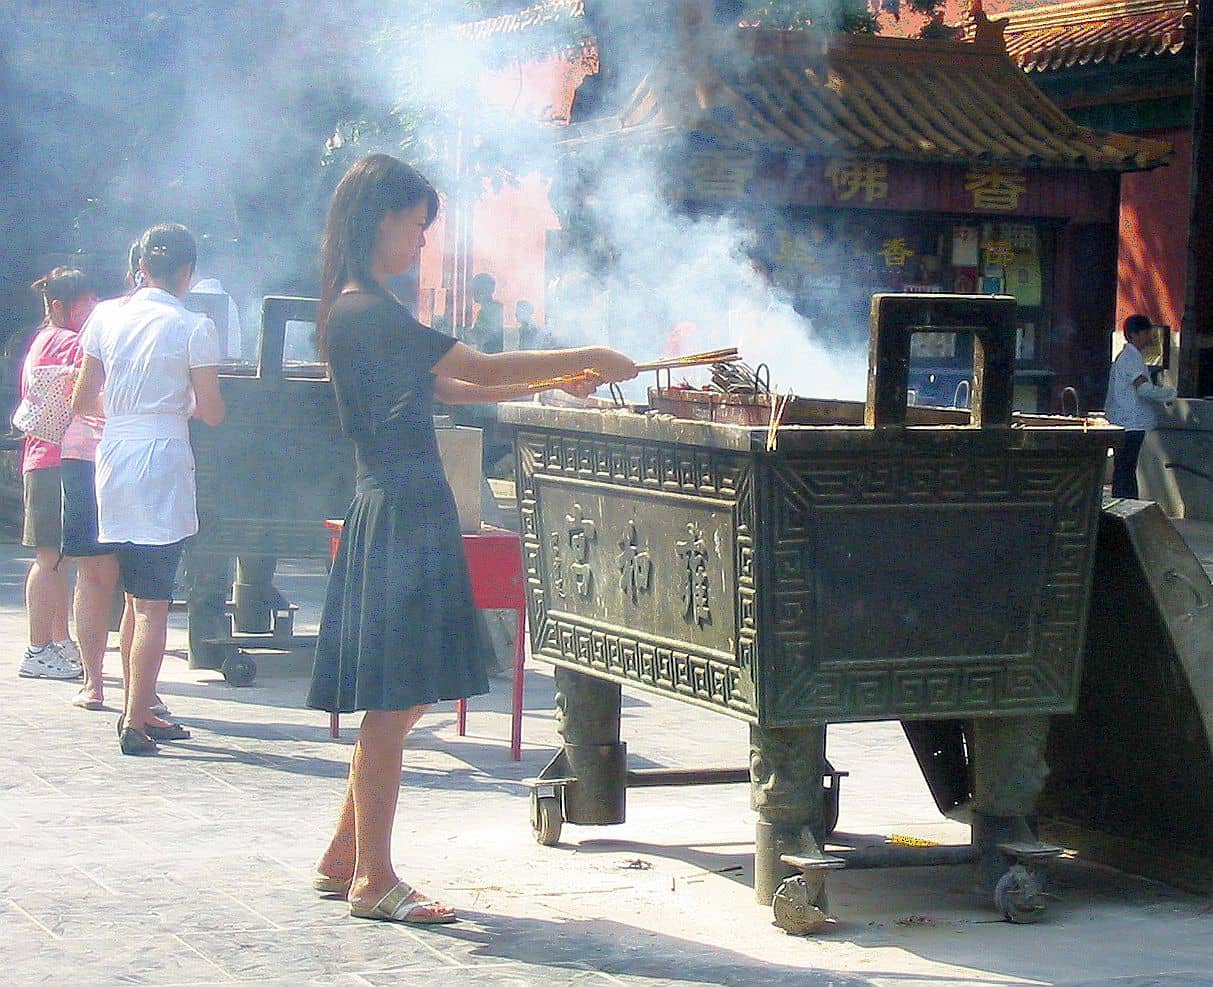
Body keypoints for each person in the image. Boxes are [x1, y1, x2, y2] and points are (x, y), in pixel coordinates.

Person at [306, 153, 635, 925]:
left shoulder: (364, 309)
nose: (422, 242)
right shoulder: (366, 311)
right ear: (381, 220)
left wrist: (551, 382)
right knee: (393, 701)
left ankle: (343, 855)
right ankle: (373, 878)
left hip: (405, 504)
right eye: (416, 227)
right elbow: (479, 366)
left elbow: (454, 384)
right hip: (399, 508)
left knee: (407, 693)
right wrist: (586, 355)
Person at [73, 223, 226, 755]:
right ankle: (135, 722)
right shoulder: (194, 325)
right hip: (162, 459)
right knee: (152, 604)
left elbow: (82, 398)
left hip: (115, 455)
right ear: (188, 272)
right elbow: (212, 411)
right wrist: (179, 406)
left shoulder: (104, 316)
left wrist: (120, 417)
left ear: (140, 266)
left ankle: (137, 705)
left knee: (134, 594)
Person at [16, 268, 96, 681]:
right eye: (85, 306)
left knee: (58, 559)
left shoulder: (42, 339)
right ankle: (36, 649)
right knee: (49, 559)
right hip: (53, 461)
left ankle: (59, 639)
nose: (91, 313)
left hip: (44, 460)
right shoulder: (67, 341)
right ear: (60, 306)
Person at [1105, 313, 1176, 499]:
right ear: (1134, 334)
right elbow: (1143, 389)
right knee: (1126, 469)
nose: (1148, 338)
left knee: (1123, 468)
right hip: (1132, 423)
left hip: (1123, 420)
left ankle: (1122, 502)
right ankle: (1127, 504)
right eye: (1145, 333)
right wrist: (1169, 393)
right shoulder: (1132, 358)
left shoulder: (1125, 357)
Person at [467, 272, 504, 354]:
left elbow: (486, 336)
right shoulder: (484, 311)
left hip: (490, 357)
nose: (472, 293)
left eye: (475, 289)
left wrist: (470, 335)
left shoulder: (493, 309)